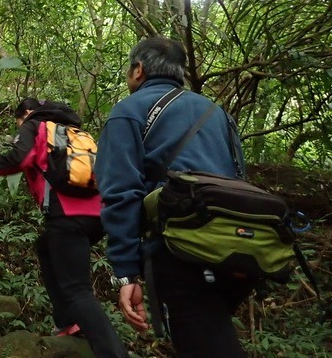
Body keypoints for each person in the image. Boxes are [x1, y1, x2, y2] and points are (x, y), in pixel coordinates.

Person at [95, 37, 252, 357]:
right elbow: (239, 178)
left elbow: (121, 193)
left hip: (179, 249)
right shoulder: (217, 112)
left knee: (204, 340)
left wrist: (126, 272)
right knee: (209, 332)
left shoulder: (129, 111)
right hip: (239, 247)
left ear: (138, 70)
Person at [0, 98, 128, 358]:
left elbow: (20, 157)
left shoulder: (34, 124)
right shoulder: (75, 131)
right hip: (97, 216)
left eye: (18, 121)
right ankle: (68, 321)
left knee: (78, 291)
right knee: (46, 246)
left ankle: (113, 353)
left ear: (25, 113)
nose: (18, 126)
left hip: (67, 216)